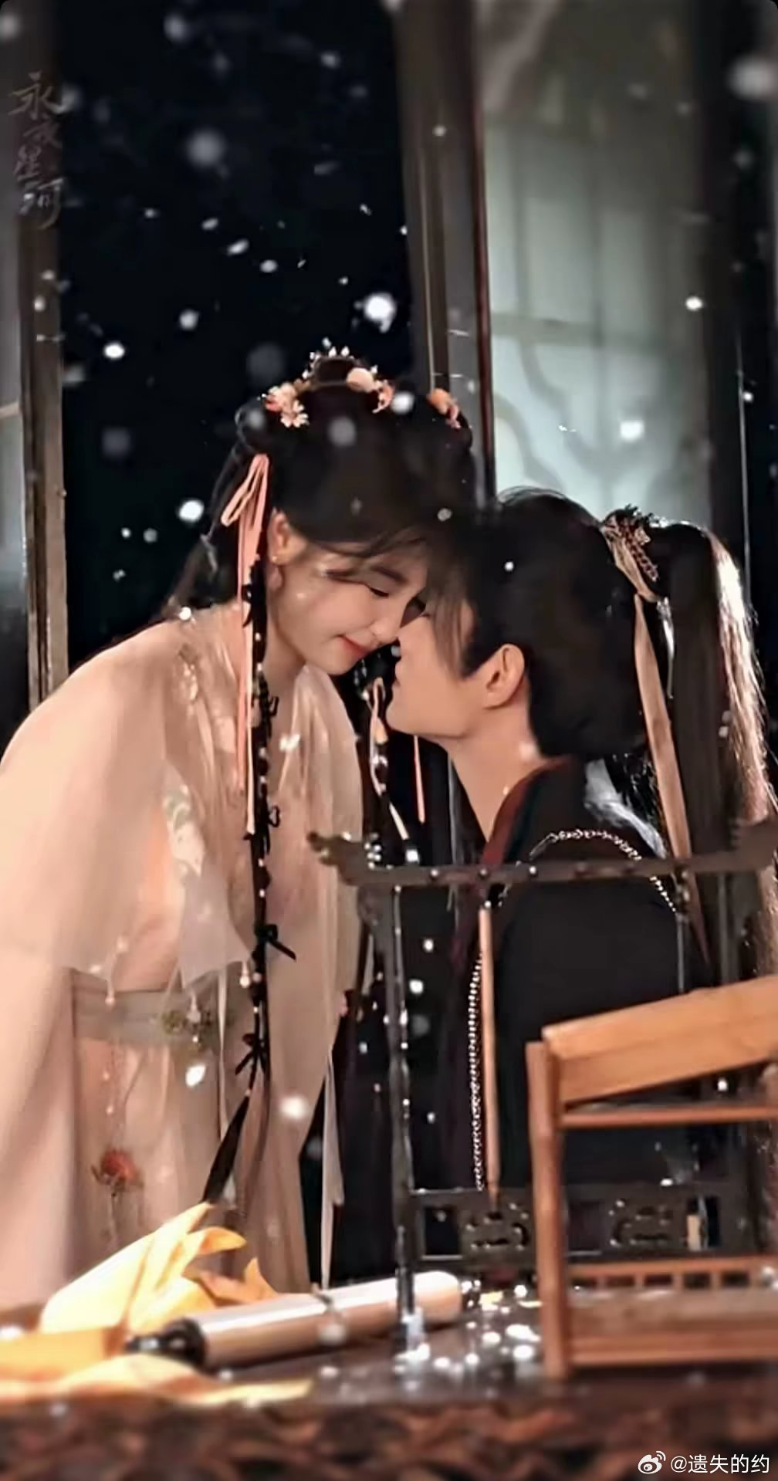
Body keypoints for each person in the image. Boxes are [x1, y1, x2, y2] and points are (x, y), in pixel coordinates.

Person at [0, 352, 474, 1305]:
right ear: (281, 534)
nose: (388, 625)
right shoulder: (122, 700)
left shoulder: (323, 722)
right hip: (94, 1133)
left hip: (234, 1132)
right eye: (371, 583)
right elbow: (17, 985)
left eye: (409, 600)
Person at [388, 491, 777, 1221]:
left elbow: (618, 1221)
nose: (397, 632)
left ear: (499, 674)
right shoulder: (550, 863)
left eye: (429, 610)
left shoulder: (585, 894)